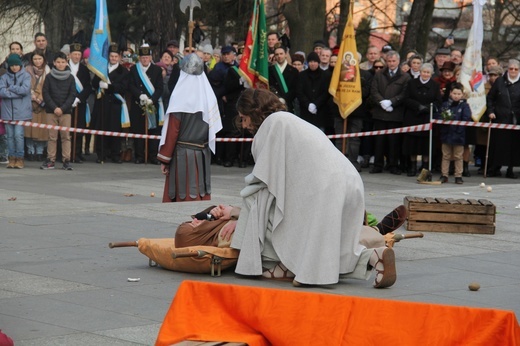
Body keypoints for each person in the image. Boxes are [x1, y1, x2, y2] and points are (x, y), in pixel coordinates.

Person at [227, 88, 397, 288]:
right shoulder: (289, 119)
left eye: (244, 118)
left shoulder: (272, 125)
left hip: (325, 186)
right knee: (335, 242)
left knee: (261, 210)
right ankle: (374, 256)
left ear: (253, 112)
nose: (245, 125)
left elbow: (262, 181)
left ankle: (288, 266)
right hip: (349, 180)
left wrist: (239, 218)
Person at [157, 53, 222, 202]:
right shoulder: (208, 98)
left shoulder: (179, 98)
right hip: (202, 154)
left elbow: (172, 131)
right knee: (199, 194)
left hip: (182, 157)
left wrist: (165, 159)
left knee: (182, 195)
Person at [369, 50, 411, 175]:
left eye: (394, 61)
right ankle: (378, 165)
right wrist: (382, 102)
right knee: (379, 142)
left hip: (395, 114)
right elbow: (374, 90)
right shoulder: (379, 74)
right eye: (389, 61)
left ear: (398, 61)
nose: (391, 63)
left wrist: (392, 102)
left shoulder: (405, 76)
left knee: (394, 142)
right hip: (380, 113)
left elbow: (404, 93)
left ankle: (393, 165)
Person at [91, 43, 129, 163]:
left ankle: (115, 154)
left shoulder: (123, 71)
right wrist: (98, 83)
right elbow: (93, 84)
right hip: (102, 103)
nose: (113, 58)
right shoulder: (102, 69)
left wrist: (109, 86)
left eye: (115, 56)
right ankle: (101, 154)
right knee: (102, 129)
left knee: (115, 130)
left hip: (115, 104)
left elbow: (123, 87)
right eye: (111, 56)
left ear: (119, 57)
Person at [402, 63, 442, 176]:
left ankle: (424, 168)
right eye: (424, 72)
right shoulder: (411, 83)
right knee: (412, 145)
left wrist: (428, 107)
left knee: (426, 145)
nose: (425, 74)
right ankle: (412, 167)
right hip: (413, 117)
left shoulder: (435, 85)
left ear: (431, 74)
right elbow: (406, 98)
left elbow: (438, 101)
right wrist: (417, 106)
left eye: (428, 72)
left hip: (427, 118)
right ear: (420, 72)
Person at [40, 52, 77, 170]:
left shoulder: (70, 77)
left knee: (66, 137)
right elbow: (45, 93)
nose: (60, 64)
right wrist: (54, 107)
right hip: (52, 111)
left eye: (63, 62)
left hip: (65, 112)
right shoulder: (49, 77)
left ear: (66, 62)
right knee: (52, 137)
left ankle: (66, 160)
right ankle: (51, 159)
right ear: (54, 63)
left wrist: (62, 108)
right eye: (58, 62)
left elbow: (72, 94)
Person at [128, 44, 164, 164]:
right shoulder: (134, 70)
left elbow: (160, 88)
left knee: (154, 130)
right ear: (139, 58)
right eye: (142, 57)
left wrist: (152, 99)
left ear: (150, 57)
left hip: (152, 105)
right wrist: (140, 95)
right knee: (139, 130)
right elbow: (131, 85)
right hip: (138, 105)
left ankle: (153, 156)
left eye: (147, 57)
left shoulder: (157, 70)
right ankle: (139, 156)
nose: (145, 59)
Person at [486, 59, 520, 178]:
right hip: (500, 117)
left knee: (514, 145)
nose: (513, 71)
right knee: (498, 144)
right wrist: (490, 111)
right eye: (511, 69)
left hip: (516, 118)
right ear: (507, 69)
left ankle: (511, 169)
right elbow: (490, 97)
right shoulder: (500, 81)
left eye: (516, 69)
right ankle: (494, 168)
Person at [0, 53, 32, 169]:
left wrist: (11, 88)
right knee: (9, 136)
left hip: (21, 112)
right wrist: (15, 93)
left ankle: (20, 157)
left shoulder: (26, 76)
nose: (14, 67)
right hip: (7, 112)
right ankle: (11, 157)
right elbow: (2, 92)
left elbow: (24, 90)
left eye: (16, 65)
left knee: (18, 135)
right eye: (12, 65)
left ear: (20, 65)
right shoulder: (4, 77)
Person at [437, 83, 471, 184]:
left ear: (462, 94)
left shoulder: (464, 106)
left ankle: (458, 175)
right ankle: (444, 175)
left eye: (458, 93)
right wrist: (444, 118)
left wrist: (458, 128)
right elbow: (439, 116)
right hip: (446, 134)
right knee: (446, 156)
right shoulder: (445, 105)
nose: (456, 95)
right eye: (454, 93)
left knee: (458, 156)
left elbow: (466, 118)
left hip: (458, 135)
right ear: (451, 93)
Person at [68, 43, 92, 163]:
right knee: (67, 129)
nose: (77, 57)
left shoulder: (84, 69)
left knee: (79, 129)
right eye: (75, 54)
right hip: (67, 104)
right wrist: (70, 99)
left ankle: (77, 153)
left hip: (80, 103)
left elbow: (88, 87)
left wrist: (79, 98)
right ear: (70, 55)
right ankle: (66, 153)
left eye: (79, 55)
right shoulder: (65, 67)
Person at [24, 49, 50, 162]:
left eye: (39, 58)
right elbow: (24, 85)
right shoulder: (26, 70)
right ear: (31, 60)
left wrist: (41, 99)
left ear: (43, 59)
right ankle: (30, 151)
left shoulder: (48, 71)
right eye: (35, 59)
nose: (37, 61)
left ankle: (40, 152)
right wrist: (32, 96)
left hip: (43, 103)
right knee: (29, 129)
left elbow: (49, 87)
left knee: (42, 130)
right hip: (29, 103)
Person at [298, 51, 332, 133]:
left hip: (320, 112)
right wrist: (308, 104)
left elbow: (326, 93)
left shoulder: (326, 75)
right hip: (305, 111)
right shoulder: (302, 75)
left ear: (318, 62)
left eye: (315, 62)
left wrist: (316, 104)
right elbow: (299, 92)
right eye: (311, 62)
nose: (313, 64)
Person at [268, 45, 299, 113]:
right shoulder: (270, 70)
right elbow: (270, 86)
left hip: (288, 104)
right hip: (274, 104)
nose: (279, 56)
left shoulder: (294, 71)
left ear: (285, 55)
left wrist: (285, 99)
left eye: (281, 54)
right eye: (277, 54)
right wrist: (277, 98)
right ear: (274, 56)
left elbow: (295, 89)